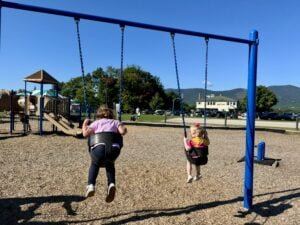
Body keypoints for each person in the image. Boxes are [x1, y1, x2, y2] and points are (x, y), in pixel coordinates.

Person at [82, 104, 127, 202]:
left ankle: (91, 185)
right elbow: (122, 132)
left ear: (98, 115)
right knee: (110, 163)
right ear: (111, 115)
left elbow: (85, 134)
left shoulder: (96, 123)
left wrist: (85, 124)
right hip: (114, 150)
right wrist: (123, 127)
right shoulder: (116, 122)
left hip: (99, 149)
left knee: (95, 163)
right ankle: (111, 184)